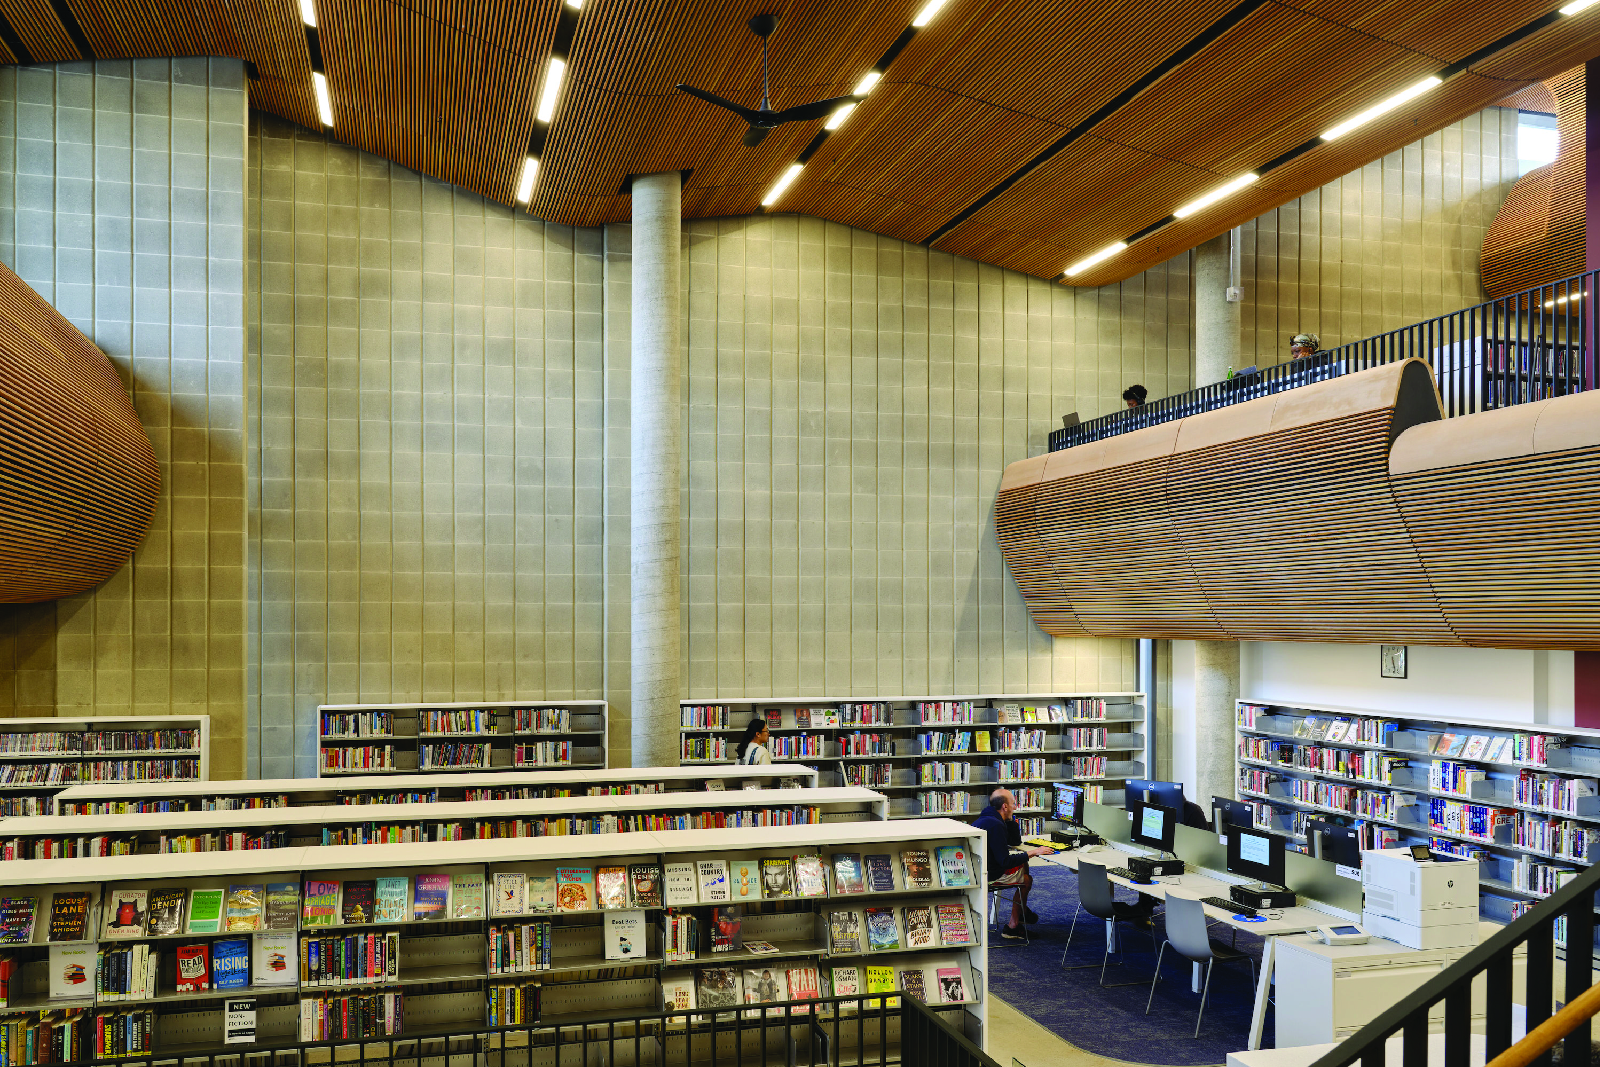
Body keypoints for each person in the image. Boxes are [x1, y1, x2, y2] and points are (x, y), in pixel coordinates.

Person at [972, 787, 1053, 940]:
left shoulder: (988, 818)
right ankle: (1013, 926)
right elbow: (1005, 861)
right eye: (1013, 804)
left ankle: (1021, 911)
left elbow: (1015, 841)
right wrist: (1033, 852)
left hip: (981, 869)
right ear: (1005, 806)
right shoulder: (996, 826)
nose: (1015, 807)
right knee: (1027, 880)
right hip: (990, 875)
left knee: (1023, 866)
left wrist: (1009, 819)